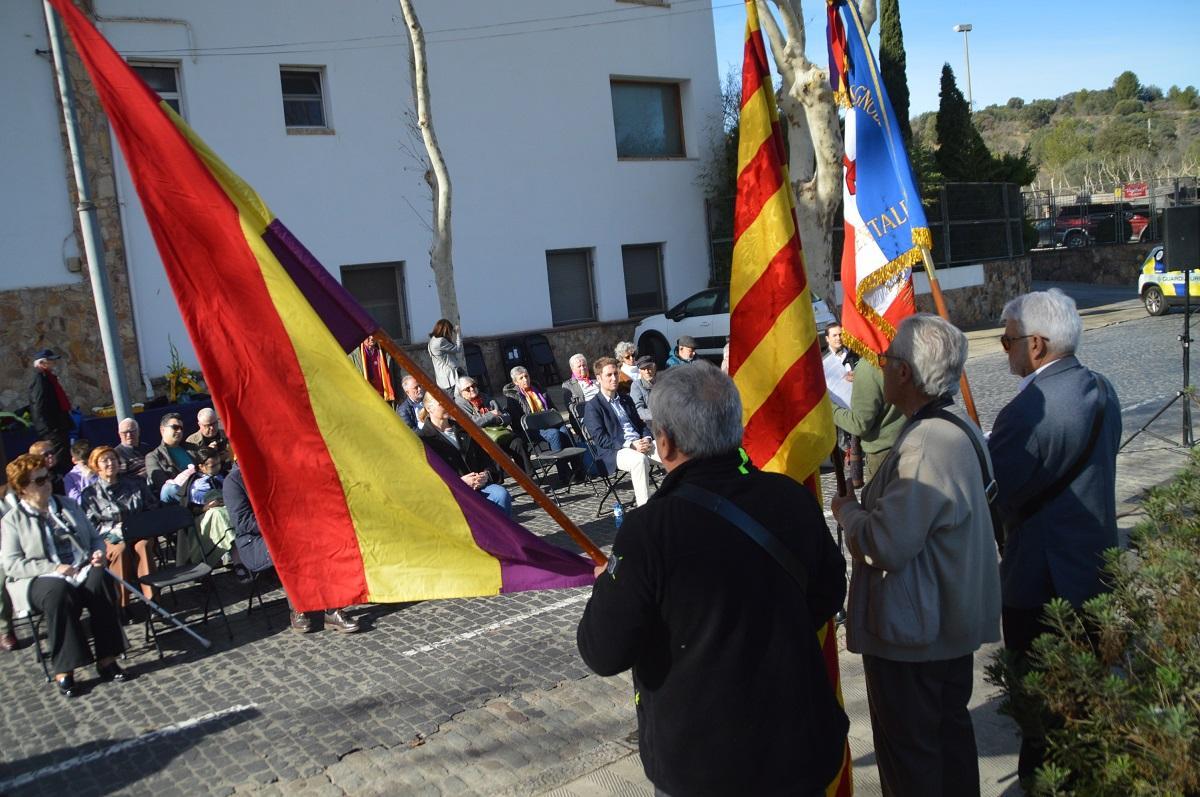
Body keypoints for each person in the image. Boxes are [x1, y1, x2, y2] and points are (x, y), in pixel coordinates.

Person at [577, 361, 849, 796]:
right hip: (798, 746)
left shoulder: (649, 530)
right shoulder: (790, 499)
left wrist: (606, 585)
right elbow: (829, 593)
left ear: (664, 444)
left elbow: (603, 651)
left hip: (704, 765)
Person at [831, 315, 1001, 797]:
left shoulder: (927, 442)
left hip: (916, 636)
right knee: (947, 745)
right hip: (940, 626)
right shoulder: (952, 425)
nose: (879, 368)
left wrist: (847, 513)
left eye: (885, 361)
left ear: (903, 373)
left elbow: (887, 543)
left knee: (914, 764)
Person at [987, 288, 1121, 784]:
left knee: (1043, 719)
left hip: (1041, 583)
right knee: (1086, 702)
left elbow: (997, 490)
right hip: (1094, 569)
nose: (1005, 348)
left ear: (1037, 345)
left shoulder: (1031, 410)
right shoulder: (1100, 387)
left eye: (1008, 341)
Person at [2, 454, 127, 696]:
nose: (46, 484)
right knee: (58, 592)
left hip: (79, 568)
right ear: (22, 488)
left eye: (46, 478)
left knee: (101, 579)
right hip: (38, 579)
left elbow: (94, 539)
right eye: (38, 482)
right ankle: (65, 668)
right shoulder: (12, 520)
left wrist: (98, 554)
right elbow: (12, 564)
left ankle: (107, 658)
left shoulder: (67, 506)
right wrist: (53, 568)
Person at [224, 464, 361, 634]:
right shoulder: (234, 481)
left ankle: (333, 608)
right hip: (255, 541)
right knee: (293, 546)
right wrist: (281, 524)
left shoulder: (273, 469)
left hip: (289, 531)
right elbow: (243, 522)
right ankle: (301, 607)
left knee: (323, 538)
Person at [79, 445, 160, 606]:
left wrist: (138, 524)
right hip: (110, 537)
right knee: (120, 550)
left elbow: (152, 508)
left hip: (139, 532)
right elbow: (90, 525)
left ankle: (153, 603)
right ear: (96, 466)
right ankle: (122, 604)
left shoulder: (136, 483)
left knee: (143, 546)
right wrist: (114, 531)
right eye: (105, 461)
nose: (111, 463)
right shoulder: (90, 494)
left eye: (113, 459)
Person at [419, 391, 513, 516]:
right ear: (429, 408)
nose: (448, 405)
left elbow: (484, 459)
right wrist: (460, 483)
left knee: (501, 494)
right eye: (442, 402)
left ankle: (504, 534)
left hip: (479, 487)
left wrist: (486, 475)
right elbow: (427, 477)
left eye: (449, 400)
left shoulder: (464, 428)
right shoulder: (423, 439)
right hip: (451, 493)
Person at [583, 357, 658, 507]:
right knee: (639, 460)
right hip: (615, 450)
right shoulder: (593, 406)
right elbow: (600, 439)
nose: (614, 378)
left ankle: (680, 498)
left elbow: (640, 424)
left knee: (670, 449)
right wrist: (631, 445)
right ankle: (645, 509)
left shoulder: (626, 399)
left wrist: (648, 438)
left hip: (640, 443)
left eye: (616, 374)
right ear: (598, 379)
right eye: (609, 375)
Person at [831, 354, 906, 484]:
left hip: (883, 454)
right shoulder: (903, 354)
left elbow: (859, 424)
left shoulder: (869, 366)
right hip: (908, 440)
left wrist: (830, 408)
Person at [454, 375, 531, 475]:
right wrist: (491, 415)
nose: (472, 389)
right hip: (479, 439)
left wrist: (499, 419)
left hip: (499, 433)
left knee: (518, 442)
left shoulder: (486, 398)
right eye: (467, 389)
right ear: (461, 392)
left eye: (473, 385)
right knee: (493, 448)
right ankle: (497, 480)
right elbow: (472, 423)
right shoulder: (459, 405)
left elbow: (507, 416)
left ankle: (528, 477)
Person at [823, 323, 864, 488]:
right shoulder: (823, 360)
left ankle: (857, 474)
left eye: (840, 334)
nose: (838, 338)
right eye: (834, 335)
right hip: (836, 408)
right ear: (827, 339)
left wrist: (858, 376)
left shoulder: (856, 356)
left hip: (855, 405)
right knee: (840, 443)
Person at [28, 349, 73, 476]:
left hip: (59, 425)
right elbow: (38, 404)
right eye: (50, 361)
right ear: (42, 363)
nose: (53, 363)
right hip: (52, 428)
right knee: (58, 458)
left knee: (63, 455)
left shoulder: (48, 378)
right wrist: (46, 429)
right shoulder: (40, 379)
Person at [145, 412, 198, 504]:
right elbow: (163, 486)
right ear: (162, 430)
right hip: (180, 499)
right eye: (175, 427)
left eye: (181, 428)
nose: (179, 431)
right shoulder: (153, 457)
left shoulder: (193, 448)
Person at [427, 318, 464, 391]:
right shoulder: (441, 341)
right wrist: (458, 334)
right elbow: (458, 349)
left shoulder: (431, 341)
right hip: (451, 377)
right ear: (446, 330)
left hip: (441, 378)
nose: (450, 333)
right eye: (450, 331)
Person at [63, 439, 97, 504]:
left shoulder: (100, 465)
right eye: (84, 463)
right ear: (74, 461)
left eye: (92, 460)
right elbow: (76, 501)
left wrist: (93, 477)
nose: (89, 465)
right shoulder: (70, 477)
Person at [629, 355, 656, 421]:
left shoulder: (663, 381)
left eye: (649, 367)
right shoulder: (636, 385)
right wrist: (657, 415)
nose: (647, 371)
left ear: (654, 367)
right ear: (640, 371)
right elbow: (638, 409)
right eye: (643, 369)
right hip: (650, 421)